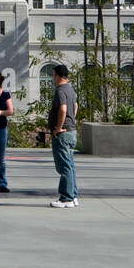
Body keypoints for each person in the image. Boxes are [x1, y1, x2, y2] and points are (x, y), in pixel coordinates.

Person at [48, 63, 79, 208]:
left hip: (63, 133)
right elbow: (75, 106)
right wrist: (72, 121)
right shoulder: (70, 90)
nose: (52, 78)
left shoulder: (60, 90)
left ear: (57, 76)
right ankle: (72, 195)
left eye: (53, 75)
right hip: (71, 131)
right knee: (70, 165)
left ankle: (66, 198)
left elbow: (63, 109)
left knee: (64, 166)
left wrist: (59, 127)